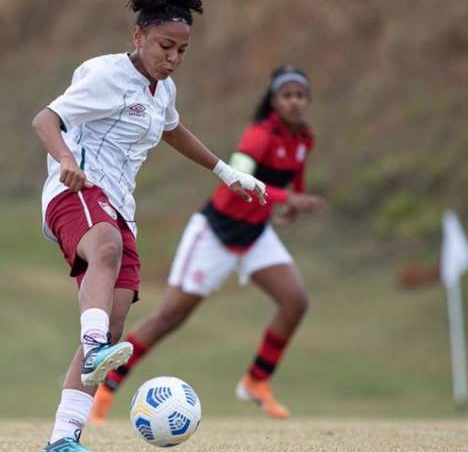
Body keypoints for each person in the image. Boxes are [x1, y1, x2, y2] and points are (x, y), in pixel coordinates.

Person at [31, 0, 266, 452]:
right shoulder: (104, 74)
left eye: (182, 49)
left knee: (114, 324)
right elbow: (45, 120)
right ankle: (94, 347)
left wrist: (226, 172)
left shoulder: (164, 90)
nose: (174, 56)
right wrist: (66, 160)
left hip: (119, 205)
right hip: (76, 192)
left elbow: (173, 129)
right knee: (106, 250)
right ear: (138, 37)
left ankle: (61, 441)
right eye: (165, 45)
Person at [89, 66, 326, 424]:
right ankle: (105, 390)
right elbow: (238, 179)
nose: (294, 103)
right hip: (215, 233)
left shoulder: (304, 139)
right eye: (286, 96)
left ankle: (256, 382)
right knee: (170, 317)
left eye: (300, 96)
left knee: (295, 301)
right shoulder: (257, 137)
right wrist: (284, 199)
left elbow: (296, 184)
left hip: (255, 235)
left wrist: (292, 203)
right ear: (274, 101)